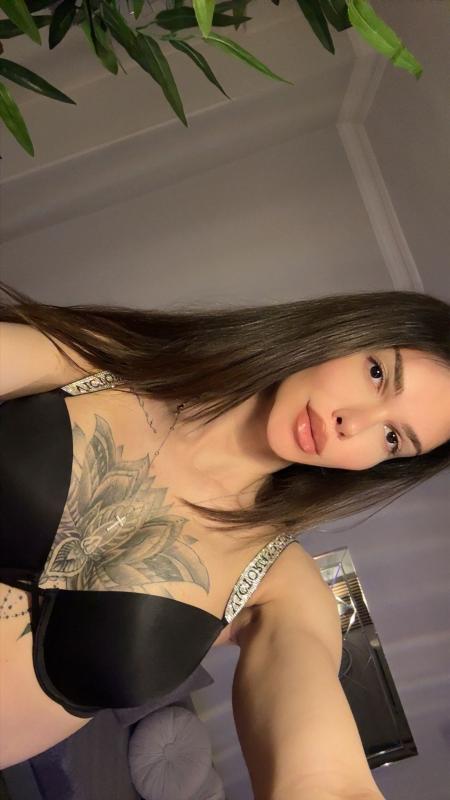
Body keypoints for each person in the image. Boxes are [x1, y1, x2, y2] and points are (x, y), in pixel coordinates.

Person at [1, 280, 449, 798]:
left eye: (392, 437)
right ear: (344, 333)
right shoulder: (106, 365)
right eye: (377, 374)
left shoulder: (280, 587)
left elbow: (325, 781)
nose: (354, 424)